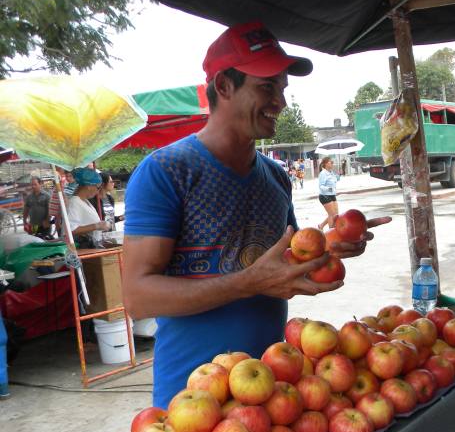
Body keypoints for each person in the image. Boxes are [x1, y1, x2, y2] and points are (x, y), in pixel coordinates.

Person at [122, 21, 389, 409]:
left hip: (272, 394)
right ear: (224, 87)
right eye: (267, 87)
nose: (280, 101)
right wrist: (247, 283)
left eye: (282, 89)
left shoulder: (276, 178)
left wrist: (331, 246)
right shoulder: (166, 172)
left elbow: (286, 265)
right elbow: (137, 297)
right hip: (192, 404)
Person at [66, 167, 110, 248]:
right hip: (85, 247)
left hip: (93, 245)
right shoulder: (74, 202)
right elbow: (71, 230)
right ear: (89, 186)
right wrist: (96, 226)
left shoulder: (84, 201)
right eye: (98, 188)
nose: (98, 191)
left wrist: (99, 225)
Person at [317, 156, 340, 229]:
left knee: (336, 214)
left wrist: (339, 175)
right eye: (331, 162)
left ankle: (321, 225)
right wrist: (330, 189)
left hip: (332, 195)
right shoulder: (323, 173)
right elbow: (321, 186)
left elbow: (336, 180)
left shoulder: (331, 173)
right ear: (326, 164)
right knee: (332, 215)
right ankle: (331, 231)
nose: (333, 164)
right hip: (324, 196)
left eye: (333, 162)